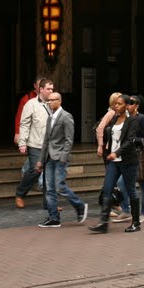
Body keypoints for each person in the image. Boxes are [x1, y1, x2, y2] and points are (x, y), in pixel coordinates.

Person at [89, 94, 142, 234]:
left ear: (126, 105)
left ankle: (136, 222)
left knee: (131, 190)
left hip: (127, 161)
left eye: (119, 104)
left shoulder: (133, 121)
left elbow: (130, 140)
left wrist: (117, 153)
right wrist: (105, 149)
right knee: (107, 189)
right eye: (115, 104)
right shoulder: (114, 118)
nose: (116, 106)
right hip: (113, 161)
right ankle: (104, 223)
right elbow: (109, 136)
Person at [36, 91, 88, 227]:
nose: (50, 102)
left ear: (60, 101)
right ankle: (54, 218)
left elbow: (69, 140)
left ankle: (80, 205)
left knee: (60, 187)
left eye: (53, 100)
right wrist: (41, 160)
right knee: (49, 189)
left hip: (60, 157)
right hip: (48, 158)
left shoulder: (66, 117)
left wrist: (63, 157)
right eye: (49, 100)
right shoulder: (50, 117)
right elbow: (46, 140)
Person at [14, 78, 53, 209]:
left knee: (49, 173)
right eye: (48, 89)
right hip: (35, 144)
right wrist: (22, 143)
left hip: (50, 145)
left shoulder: (53, 104)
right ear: (41, 89)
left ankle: (49, 203)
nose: (51, 91)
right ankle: (20, 193)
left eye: (52, 89)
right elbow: (24, 124)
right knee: (36, 170)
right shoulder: (30, 104)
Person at [115, 94, 144, 223]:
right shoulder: (125, 118)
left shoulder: (142, 119)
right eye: (127, 102)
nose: (128, 105)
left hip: (140, 156)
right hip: (128, 156)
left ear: (137, 106)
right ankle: (126, 210)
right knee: (121, 183)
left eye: (131, 103)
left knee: (143, 184)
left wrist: (133, 140)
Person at [95, 92, 127, 218]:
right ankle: (110, 205)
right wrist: (100, 144)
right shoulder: (111, 113)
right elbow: (100, 128)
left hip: (117, 151)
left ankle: (114, 204)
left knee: (113, 179)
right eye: (118, 102)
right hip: (110, 151)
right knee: (112, 179)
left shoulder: (120, 115)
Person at [13, 79, 38, 146]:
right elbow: (19, 116)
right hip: (30, 133)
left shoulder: (49, 98)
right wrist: (17, 132)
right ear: (35, 85)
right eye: (40, 85)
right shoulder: (26, 98)